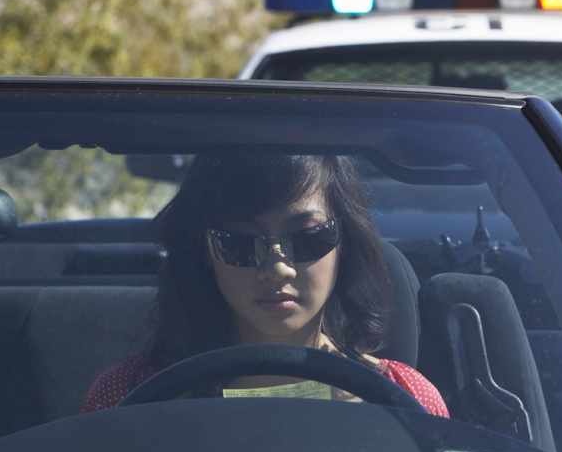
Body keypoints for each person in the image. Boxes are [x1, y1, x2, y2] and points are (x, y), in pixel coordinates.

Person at [81, 154, 448, 417]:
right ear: (204, 249)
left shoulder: (408, 398)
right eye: (240, 244)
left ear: (346, 242)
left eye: (308, 239)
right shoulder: (127, 397)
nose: (277, 269)